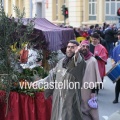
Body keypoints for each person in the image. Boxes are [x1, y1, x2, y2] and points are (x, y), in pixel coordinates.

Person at [34, 40, 86, 120]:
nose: (69, 49)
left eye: (73, 47)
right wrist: (37, 83)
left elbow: (77, 60)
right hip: (58, 96)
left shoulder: (80, 62)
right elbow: (51, 77)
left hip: (71, 98)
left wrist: (77, 53)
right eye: (68, 47)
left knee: (69, 117)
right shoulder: (61, 62)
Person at [80, 40, 102, 120]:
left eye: (87, 47)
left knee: (89, 108)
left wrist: (93, 92)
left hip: (88, 89)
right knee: (81, 108)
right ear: (80, 47)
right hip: (78, 87)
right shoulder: (78, 59)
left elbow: (95, 78)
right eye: (83, 46)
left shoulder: (92, 60)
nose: (85, 48)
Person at [111, 33, 120, 103]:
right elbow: (112, 57)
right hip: (118, 68)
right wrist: (113, 62)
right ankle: (116, 98)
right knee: (118, 84)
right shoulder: (116, 48)